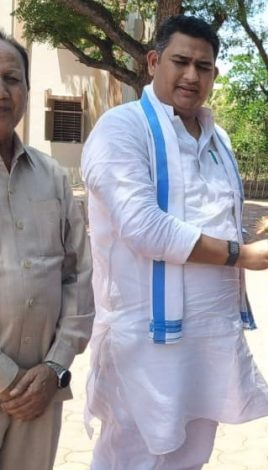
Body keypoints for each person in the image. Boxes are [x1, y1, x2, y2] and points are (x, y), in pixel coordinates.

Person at [81, 15, 268, 469]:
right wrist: (240, 255)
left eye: (204, 66)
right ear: (153, 62)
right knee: (134, 457)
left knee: (190, 456)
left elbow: (218, 218)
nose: (192, 75)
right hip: (146, 343)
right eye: (181, 61)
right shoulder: (123, 128)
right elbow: (144, 227)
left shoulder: (219, 138)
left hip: (208, 337)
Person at [0, 31, 94, 469]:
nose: (2, 91)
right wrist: (8, 379)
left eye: (11, 79)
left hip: (41, 393)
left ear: (26, 90)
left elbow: (78, 274)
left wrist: (55, 367)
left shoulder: (52, 176)